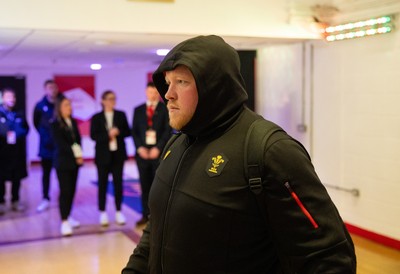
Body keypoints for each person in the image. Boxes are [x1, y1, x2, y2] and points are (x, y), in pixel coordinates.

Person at [122, 35, 356, 273]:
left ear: (213, 85)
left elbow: (329, 257)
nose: (169, 94)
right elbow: (156, 229)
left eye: (181, 81)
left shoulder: (269, 150)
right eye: (167, 82)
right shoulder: (177, 144)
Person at [131, 82, 171, 226]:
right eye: (150, 92)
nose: (152, 95)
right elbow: (134, 132)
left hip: (157, 153)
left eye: (155, 92)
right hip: (142, 154)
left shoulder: (165, 108)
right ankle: (145, 215)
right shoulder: (139, 110)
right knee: (144, 184)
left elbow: (168, 131)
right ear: (146, 92)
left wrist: (158, 148)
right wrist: (139, 148)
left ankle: (158, 216)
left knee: (158, 186)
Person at [90, 90, 130, 226]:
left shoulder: (120, 115)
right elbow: (93, 136)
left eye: (114, 98)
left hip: (118, 155)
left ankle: (119, 211)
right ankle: (103, 212)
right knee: (102, 184)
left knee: (118, 184)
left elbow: (128, 131)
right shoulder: (96, 117)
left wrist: (118, 132)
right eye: (109, 98)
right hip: (102, 156)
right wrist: (108, 134)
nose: (112, 101)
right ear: (102, 100)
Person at [50, 96, 82, 236]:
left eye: (70, 104)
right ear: (59, 108)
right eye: (66, 105)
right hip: (63, 162)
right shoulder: (55, 124)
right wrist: (75, 155)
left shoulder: (73, 122)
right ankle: (64, 221)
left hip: (74, 163)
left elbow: (77, 140)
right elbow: (61, 144)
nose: (69, 107)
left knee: (72, 190)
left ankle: (68, 216)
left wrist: (79, 155)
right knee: (65, 191)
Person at [33, 79, 64, 212]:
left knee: (61, 174)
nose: (53, 90)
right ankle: (45, 198)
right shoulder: (40, 106)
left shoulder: (62, 103)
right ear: (45, 89)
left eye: (54, 87)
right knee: (46, 174)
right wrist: (45, 136)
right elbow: (36, 123)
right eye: (50, 87)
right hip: (46, 147)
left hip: (60, 147)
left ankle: (63, 200)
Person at [0, 88, 29, 214]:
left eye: (13, 97)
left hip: (17, 152)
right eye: (8, 97)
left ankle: (15, 201)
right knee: (1, 178)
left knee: (16, 178)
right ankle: (1, 202)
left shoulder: (19, 114)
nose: (11, 99)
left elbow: (26, 129)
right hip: (2, 152)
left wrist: (17, 134)